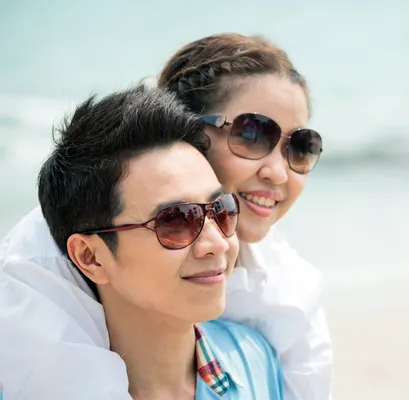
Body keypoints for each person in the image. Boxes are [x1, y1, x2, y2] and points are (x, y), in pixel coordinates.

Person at [0, 33, 332, 399]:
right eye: (252, 134)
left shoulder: (288, 291)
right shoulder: (38, 268)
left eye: (301, 146)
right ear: (189, 126)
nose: (279, 172)